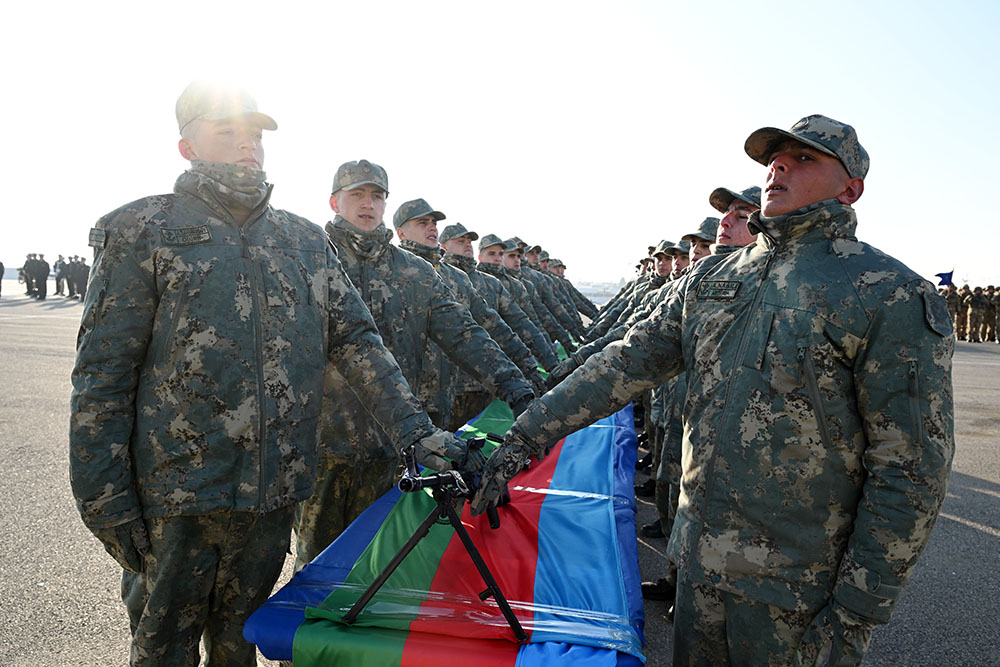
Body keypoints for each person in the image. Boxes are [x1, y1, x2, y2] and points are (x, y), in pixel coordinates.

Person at [473, 115, 954, 666]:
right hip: (700, 567)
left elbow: (911, 467)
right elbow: (620, 365)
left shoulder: (889, 294)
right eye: (776, 158)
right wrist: (522, 439)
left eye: (805, 159)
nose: (779, 167)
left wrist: (858, 608)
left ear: (851, 189)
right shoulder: (714, 281)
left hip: (797, 589)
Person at [69, 81, 471, 666]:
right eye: (227, 133)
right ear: (187, 147)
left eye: (254, 135)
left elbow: (358, 341)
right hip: (174, 498)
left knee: (241, 648)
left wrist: (416, 430)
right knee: (162, 651)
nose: (246, 146)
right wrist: (102, 497)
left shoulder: (302, 241)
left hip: (270, 495)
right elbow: (101, 375)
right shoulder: (140, 229)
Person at [295, 164, 534, 568]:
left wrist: (520, 391)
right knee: (315, 568)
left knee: (379, 563)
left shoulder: (415, 273)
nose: (368, 205)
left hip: (394, 447)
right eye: (357, 196)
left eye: (377, 196)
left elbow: (466, 336)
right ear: (335, 202)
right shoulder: (306, 260)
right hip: (321, 448)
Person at [393, 198, 543, 428]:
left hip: (446, 395)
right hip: (400, 402)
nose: (432, 227)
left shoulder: (456, 278)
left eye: (434, 222)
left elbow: (492, 326)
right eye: (423, 222)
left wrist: (528, 371)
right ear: (401, 232)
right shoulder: (390, 271)